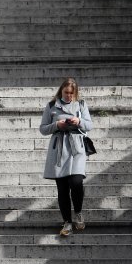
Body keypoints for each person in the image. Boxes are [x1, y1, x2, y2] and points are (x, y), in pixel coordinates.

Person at [40, 77, 93, 237]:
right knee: (62, 188)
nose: (69, 96)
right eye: (66, 92)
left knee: (76, 181)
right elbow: (42, 129)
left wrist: (79, 121)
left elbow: (89, 125)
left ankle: (78, 212)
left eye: (72, 93)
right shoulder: (51, 106)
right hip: (59, 149)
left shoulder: (81, 105)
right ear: (61, 91)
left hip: (76, 147)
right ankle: (67, 222)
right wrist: (57, 125)